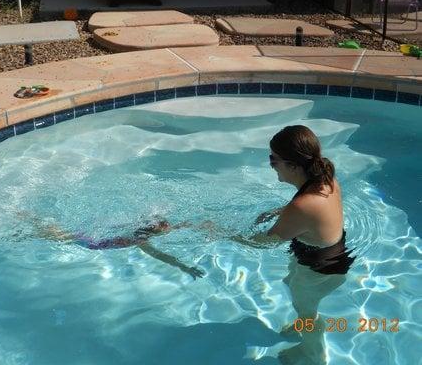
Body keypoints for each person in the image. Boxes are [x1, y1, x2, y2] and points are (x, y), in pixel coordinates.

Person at [231, 125, 356, 365]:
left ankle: (312, 355)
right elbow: (310, 214)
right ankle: (304, 323)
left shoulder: (303, 206)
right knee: (289, 282)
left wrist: (222, 234)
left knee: (307, 314)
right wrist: (281, 212)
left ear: (294, 166)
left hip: (317, 270)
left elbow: (261, 244)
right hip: (327, 257)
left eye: (274, 160)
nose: (271, 165)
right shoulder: (326, 179)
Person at [18, 212, 205, 279]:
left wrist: (195, 224)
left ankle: (29, 227)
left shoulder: (137, 229)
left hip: (93, 235)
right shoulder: (139, 240)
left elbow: (171, 228)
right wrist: (183, 267)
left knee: (57, 234)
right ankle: (28, 224)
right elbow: (160, 256)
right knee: (59, 235)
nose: (169, 229)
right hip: (92, 243)